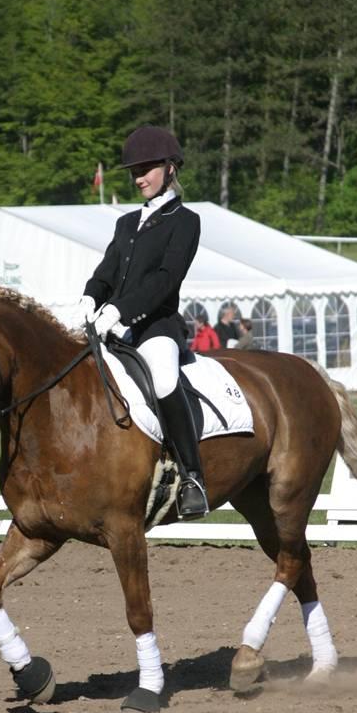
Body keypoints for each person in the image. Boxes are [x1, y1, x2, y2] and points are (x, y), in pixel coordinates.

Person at [78, 124, 208, 518]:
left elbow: (166, 280)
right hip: (113, 328)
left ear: (170, 168)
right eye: (134, 171)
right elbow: (107, 270)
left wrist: (121, 310)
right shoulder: (125, 223)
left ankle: (192, 477)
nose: (139, 178)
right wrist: (91, 296)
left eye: (147, 169)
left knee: (166, 382)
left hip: (157, 327)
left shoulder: (185, 221)